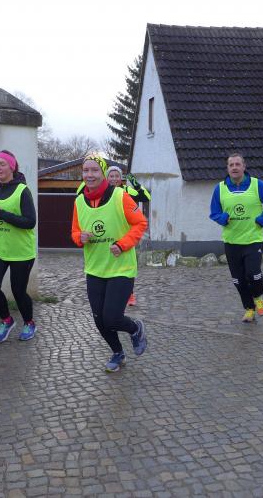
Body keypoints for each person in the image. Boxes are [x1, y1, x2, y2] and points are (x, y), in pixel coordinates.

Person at [71, 154, 148, 372]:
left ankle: (135, 328)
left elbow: (140, 223)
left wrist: (123, 244)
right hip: (95, 269)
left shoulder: (120, 196)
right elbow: (75, 232)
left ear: (103, 173)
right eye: (86, 170)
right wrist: (79, 238)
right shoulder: (78, 201)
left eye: (94, 170)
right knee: (99, 319)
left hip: (121, 268)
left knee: (112, 317)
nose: (89, 175)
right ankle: (117, 353)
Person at [209, 152, 263, 323]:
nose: (234, 167)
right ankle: (249, 309)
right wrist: (222, 218)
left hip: (253, 239)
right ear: (227, 168)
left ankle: (258, 296)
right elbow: (214, 213)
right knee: (238, 280)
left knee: (253, 274)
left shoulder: (257, 185)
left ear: (244, 166)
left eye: (237, 164)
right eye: (231, 165)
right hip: (231, 242)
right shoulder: (220, 188)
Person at [0, 150, 37, 343]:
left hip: (21, 251)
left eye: (2, 164)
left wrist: (5, 216)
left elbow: (30, 222)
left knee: (18, 291)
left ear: (12, 167)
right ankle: (6, 320)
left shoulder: (22, 190)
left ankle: (29, 322)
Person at [106, 165, 151, 307]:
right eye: (111, 176)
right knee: (109, 263)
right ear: (106, 178)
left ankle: (129, 294)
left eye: (117, 176)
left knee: (127, 266)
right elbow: (81, 192)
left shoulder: (127, 191)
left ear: (121, 178)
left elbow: (146, 197)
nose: (114, 179)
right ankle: (110, 292)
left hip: (126, 233)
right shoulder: (103, 192)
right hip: (109, 232)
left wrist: (134, 182)